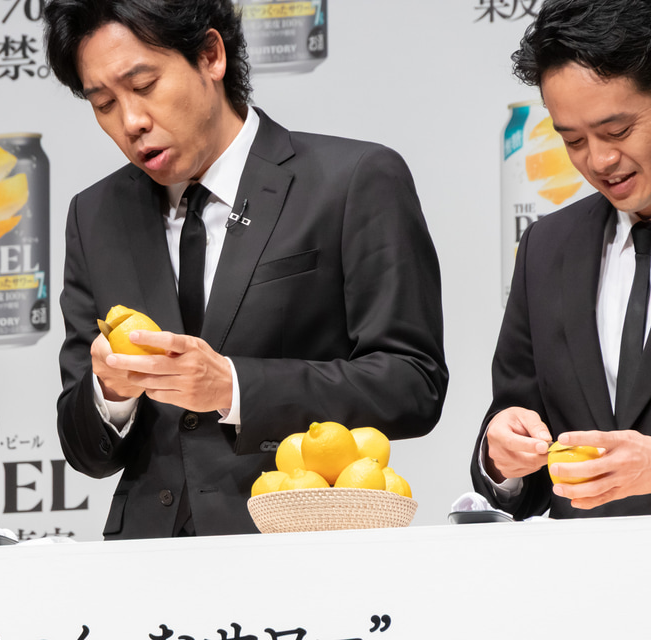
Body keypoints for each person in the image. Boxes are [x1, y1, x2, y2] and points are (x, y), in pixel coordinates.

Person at [46, 0, 448, 539]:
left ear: (210, 55)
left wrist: (233, 387)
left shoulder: (353, 180)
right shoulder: (94, 215)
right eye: (104, 103)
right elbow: (84, 451)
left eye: (144, 86)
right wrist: (110, 393)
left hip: (302, 540)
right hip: (145, 560)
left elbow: (412, 383)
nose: (131, 122)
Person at [471, 0, 651, 519]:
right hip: (577, 567)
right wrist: (503, 457)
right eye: (573, 140)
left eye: (617, 132)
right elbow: (517, 434)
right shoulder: (547, 248)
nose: (599, 160)